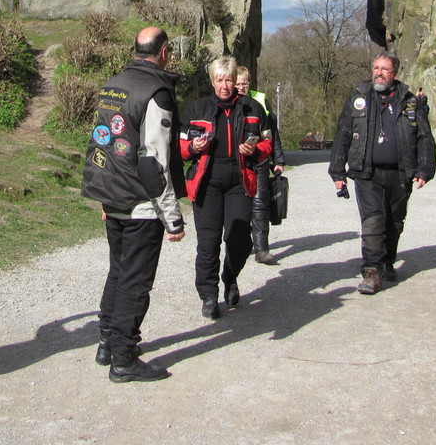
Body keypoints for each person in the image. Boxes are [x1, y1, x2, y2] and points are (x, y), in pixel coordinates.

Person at [81, 27, 186, 383]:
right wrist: (172, 217)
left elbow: (103, 145)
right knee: (135, 281)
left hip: (113, 196)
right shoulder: (156, 92)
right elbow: (154, 161)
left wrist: (104, 197)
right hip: (142, 204)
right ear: (165, 52)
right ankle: (123, 359)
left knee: (118, 272)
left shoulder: (112, 85)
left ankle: (107, 344)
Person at [328, 52, 435, 295]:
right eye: (376, 68)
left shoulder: (409, 100)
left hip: (400, 173)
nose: (379, 73)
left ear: (394, 73)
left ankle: (387, 262)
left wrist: (424, 169)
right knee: (372, 221)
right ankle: (371, 272)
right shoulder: (359, 97)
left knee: (394, 222)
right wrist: (337, 171)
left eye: (384, 69)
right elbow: (343, 132)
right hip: (367, 173)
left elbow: (424, 136)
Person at [180, 56, 272, 318]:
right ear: (212, 81)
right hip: (207, 180)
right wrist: (193, 147)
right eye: (219, 80)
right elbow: (180, 148)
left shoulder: (253, 108)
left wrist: (255, 150)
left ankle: (230, 276)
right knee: (208, 243)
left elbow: (268, 142)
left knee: (239, 240)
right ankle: (208, 295)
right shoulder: (196, 109)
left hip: (239, 178)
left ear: (235, 81)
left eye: (229, 80)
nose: (224, 85)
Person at [235, 67, 285, 265]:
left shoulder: (260, 101)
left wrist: (278, 160)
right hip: (237, 163)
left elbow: (272, 134)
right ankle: (239, 245)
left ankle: (262, 249)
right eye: (237, 84)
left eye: (244, 83)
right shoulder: (226, 102)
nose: (241, 87)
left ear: (250, 83)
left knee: (260, 205)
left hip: (260, 160)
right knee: (238, 205)